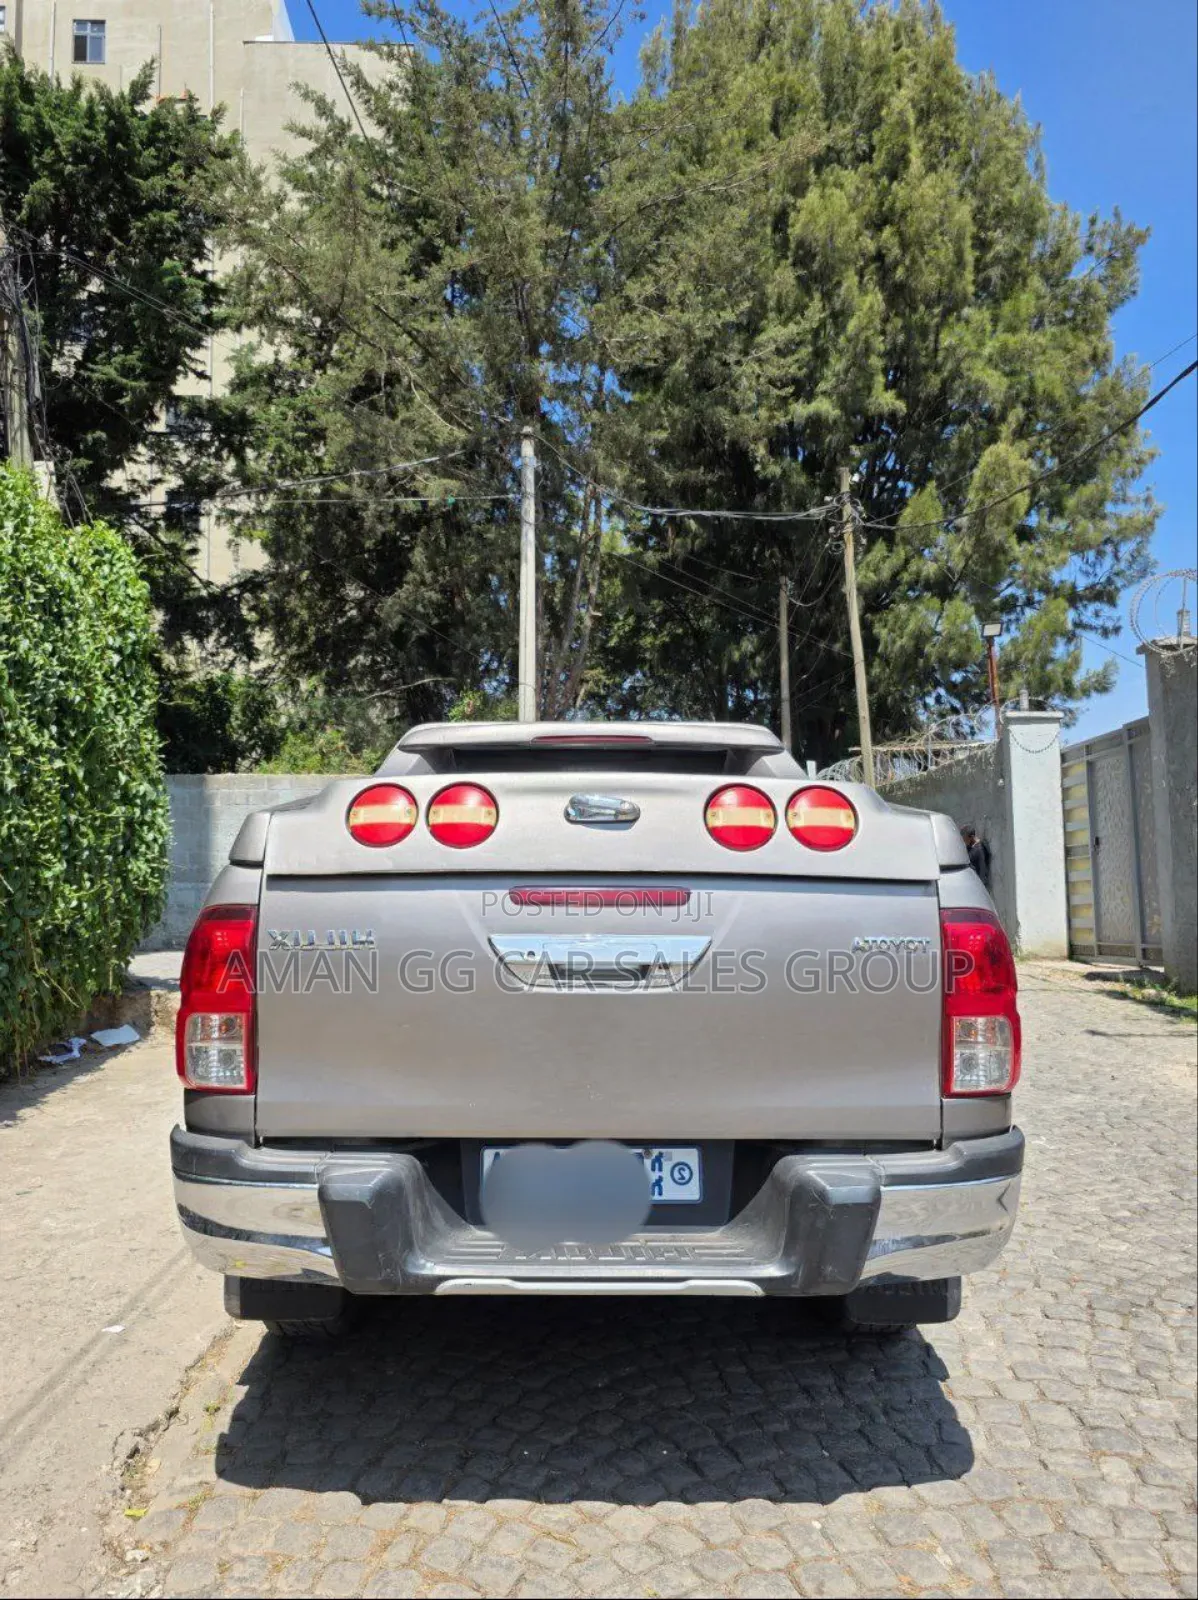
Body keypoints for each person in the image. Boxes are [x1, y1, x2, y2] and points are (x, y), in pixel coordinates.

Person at [960, 825, 992, 891]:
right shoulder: (970, 847)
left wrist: (981, 889)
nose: (963, 841)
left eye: (965, 839)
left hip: (978, 887)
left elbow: (983, 870)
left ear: (971, 837)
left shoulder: (980, 850)